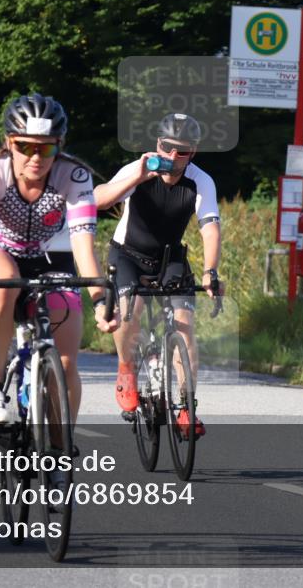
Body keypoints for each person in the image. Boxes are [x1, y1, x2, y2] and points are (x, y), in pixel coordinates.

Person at [0, 93, 118, 426]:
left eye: (46, 148)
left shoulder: (73, 176)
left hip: (49, 258)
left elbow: (83, 248)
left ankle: (60, 452)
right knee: (1, 282)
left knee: (66, 359)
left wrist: (102, 301)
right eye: (25, 146)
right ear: (8, 143)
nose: (36, 157)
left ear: (59, 145)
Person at [94, 113, 224, 440]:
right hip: (128, 255)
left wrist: (211, 271)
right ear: (158, 144)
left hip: (169, 259)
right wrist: (136, 177)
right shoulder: (138, 168)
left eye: (182, 152)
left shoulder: (200, 181)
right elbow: (98, 200)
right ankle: (126, 369)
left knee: (184, 326)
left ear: (192, 153)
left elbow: (210, 228)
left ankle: (185, 407)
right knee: (129, 311)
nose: (173, 157)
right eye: (168, 148)